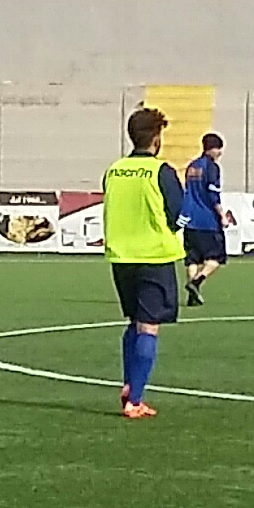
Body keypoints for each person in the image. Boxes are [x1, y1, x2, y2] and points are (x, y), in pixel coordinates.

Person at [103, 106, 188, 419]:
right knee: (149, 327)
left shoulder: (113, 170)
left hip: (122, 258)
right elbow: (179, 213)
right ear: (156, 139)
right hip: (154, 256)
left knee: (135, 321)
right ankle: (134, 400)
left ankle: (130, 385)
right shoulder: (160, 171)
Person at [180, 132, 235, 307]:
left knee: (193, 259)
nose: (220, 153)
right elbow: (212, 194)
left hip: (190, 220)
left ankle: (192, 295)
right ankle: (196, 282)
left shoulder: (192, 166)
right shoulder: (212, 167)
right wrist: (222, 216)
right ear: (212, 149)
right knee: (216, 258)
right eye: (218, 149)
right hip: (207, 221)